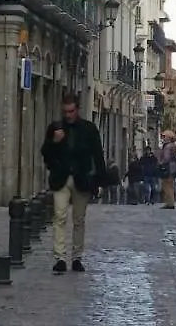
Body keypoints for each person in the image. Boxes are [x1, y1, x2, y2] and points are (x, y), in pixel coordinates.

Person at [40, 93, 107, 274]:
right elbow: (45, 152)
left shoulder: (88, 128)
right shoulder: (55, 128)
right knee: (59, 217)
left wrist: (100, 181)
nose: (68, 115)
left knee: (79, 219)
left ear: (77, 110)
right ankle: (60, 258)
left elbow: (98, 155)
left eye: (71, 111)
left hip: (82, 179)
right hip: (61, 178)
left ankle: (77, 257)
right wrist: (54, 142)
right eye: (65, 111)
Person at [157, 130, 176, 209]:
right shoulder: (173, 145)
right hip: (173, 167)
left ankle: (169, 203)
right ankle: (170, 202)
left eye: (164, 136)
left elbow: (166, 158)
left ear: (168, 137)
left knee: (166, 185)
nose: (163, 138)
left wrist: (161, 162)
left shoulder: (167, 146)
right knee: (170, 185)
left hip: (167, 167)